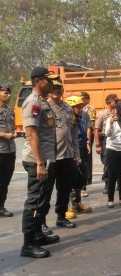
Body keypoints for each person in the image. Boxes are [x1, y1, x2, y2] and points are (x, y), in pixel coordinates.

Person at [20, 66, 60, 258]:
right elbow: (32, 134)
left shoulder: (43, 102)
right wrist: (39, 163)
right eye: (48, 80)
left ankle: (37, 235)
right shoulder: (33, 102)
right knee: (34, 201)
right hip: (36, 161)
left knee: (43, 200)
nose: (52, 83)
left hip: (45, 159)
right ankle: (28, 244)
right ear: (38, 81)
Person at [44, 80, 78, 229]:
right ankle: (41, 222)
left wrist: (76, 153)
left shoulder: (68, 109)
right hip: (50, 156)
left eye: (59, 88)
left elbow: (73, 133)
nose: (57, 90)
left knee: (64, 189)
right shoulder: (44, 106)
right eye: (54, 88)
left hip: (67, 155)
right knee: (45, 191)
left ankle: (61, 217)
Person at [66, 96, 93, 215]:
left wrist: (87, 143)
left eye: (81, 107)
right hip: (70, 153)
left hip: (81, 151)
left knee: (80, 179)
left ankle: (77, 204)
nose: (80, 109)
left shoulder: (80, 119)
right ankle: (66, 208)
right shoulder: (67, 121)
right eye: (78, 107)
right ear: (71, 108)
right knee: (68, 181)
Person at [94, 94, 119, 194]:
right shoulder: (102, 114)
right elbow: (96, 130)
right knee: (108, 163)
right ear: (109, 102)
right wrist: (98, 145)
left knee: (118, 162)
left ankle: (119, 183)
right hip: (106, 140)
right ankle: (107, 184)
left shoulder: (119, 113)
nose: (117, 103)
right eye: (115, 101)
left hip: (117, 139)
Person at [0, 84, 17, 217]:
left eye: (9, 93)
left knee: (5, 180)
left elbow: (12, 127)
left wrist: (16, 133)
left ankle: (1, 206)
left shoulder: (10, 111)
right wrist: (3, 135)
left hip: (10, 150)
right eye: (5, 93)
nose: (9, 95)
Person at [80, 91, 96, 196]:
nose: (81, 100)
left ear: (87, 99)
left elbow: (91, 125)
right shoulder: (78, 109)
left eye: (83, 99)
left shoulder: (89, 109)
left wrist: (88, 141)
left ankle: (88, 178)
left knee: (87, 158)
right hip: (80, 135)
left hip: (88, 134)